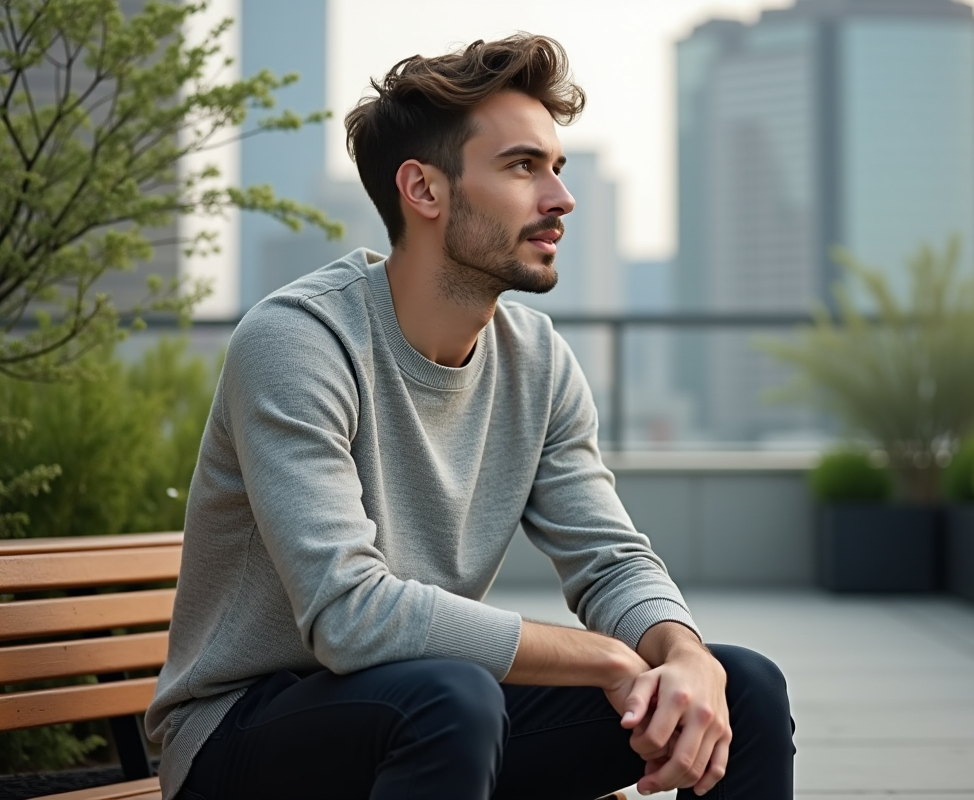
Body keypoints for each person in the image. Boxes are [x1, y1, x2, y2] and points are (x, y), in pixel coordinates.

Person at [147, 33, 794, 800]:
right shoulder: (299, 342)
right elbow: (350, 616)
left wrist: (681, 653)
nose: (560, 196)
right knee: (454, 697)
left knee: (741, 688)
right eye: (524, 167)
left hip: (433, 710)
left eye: (556, 167)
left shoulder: (537, 360)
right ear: (424, 190)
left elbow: (610, 559)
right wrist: (610, 659)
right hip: (239, 734)